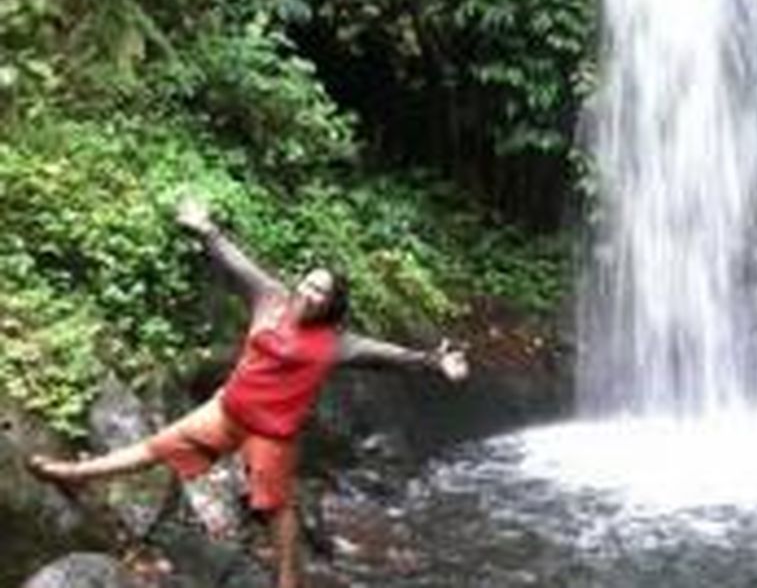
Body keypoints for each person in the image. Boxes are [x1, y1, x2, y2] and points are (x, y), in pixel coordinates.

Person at [27, 197, 469, 588]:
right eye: (309, 283)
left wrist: (435, 362)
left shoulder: (338, 343)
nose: (310, 293)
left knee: (277, 509)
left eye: (321, 292)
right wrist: (204, 227)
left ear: (332, 304)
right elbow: (236, 262)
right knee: (154, 448)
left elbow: (391, 356)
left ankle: (290, 579)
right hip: (227, 409)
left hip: (272, 435)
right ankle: (73, 474)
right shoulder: (270, 297)